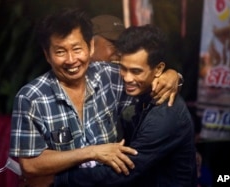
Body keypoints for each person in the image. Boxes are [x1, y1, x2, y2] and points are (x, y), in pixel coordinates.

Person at [9, 8, 181, 187]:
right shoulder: (30, 98)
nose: (71, 60)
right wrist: (91, 152)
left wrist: (173, 75)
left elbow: (151, 78)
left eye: (77, 49)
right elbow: (29, 164)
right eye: (60, 52)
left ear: (90, 47)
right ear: (47, 55)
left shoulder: (110, 76)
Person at [54, 24, 197, 187]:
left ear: (158, 69)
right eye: (123, 68)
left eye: (136, 71)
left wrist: (57, 179)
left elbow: (124, 172)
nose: (127, 78)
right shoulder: (141, 95)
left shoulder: (164, 115)